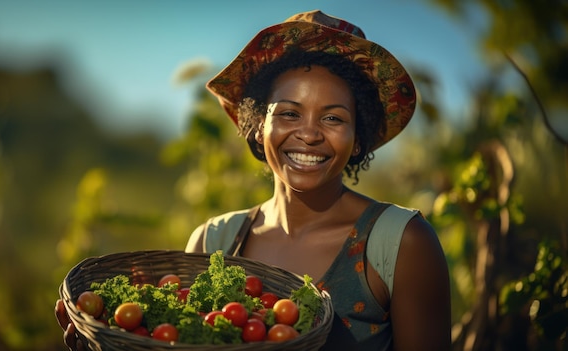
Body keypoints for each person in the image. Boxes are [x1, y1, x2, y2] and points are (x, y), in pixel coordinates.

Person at [56, 10, 451, 350]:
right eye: (289, 113)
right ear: (257, 126)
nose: (310, 134)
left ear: (358, 136)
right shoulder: (214, 242)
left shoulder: (402, 244)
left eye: (333, 118)